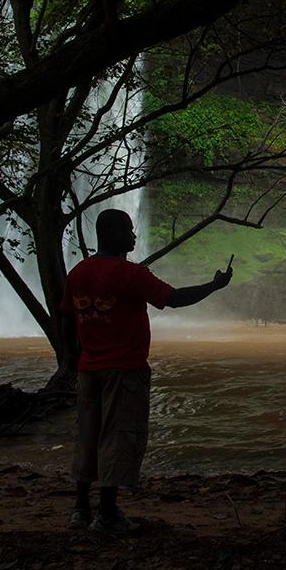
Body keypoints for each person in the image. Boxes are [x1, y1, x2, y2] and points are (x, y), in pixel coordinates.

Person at [60, 208, 233, 533]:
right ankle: (107, 513)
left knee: (88, 435)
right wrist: (214, 286)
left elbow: (67, 316)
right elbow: (174, 299)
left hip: (88, 369)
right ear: (112, 235)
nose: (134, 237)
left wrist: (71, 355)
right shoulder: (130, 274)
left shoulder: (78, 272)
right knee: (118, 435)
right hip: (123, 370)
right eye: (128, 231)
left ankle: (80, 510)